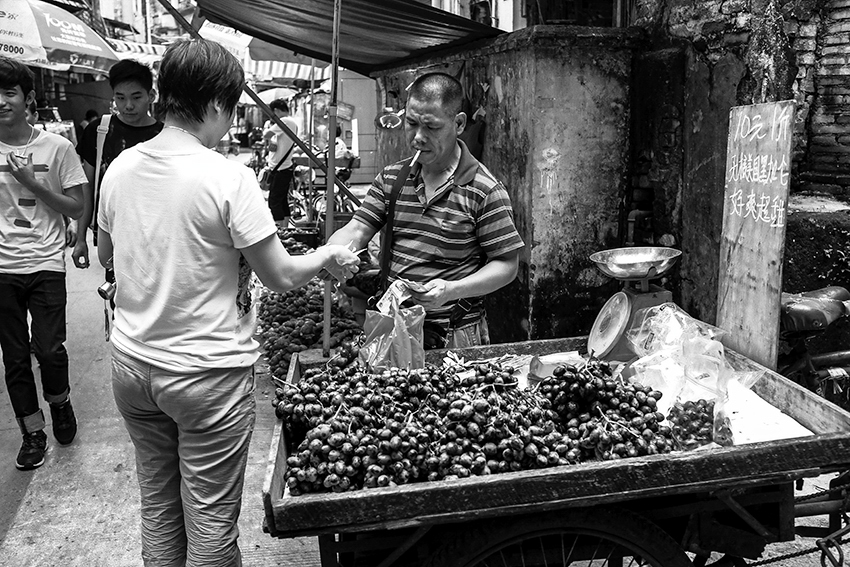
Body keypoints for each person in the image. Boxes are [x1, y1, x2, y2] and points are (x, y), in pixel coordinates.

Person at [95, 38, 358, 565]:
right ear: (215, 103)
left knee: (159, 504)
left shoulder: (121, 167)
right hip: (205, 375)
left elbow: (108, 253)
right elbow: (280, 275)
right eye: (230, 107)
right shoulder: (227, 177)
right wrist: (328, 252)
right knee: (211, 520)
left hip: (132, 364)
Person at [328, 72, 524, 349]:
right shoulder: (392, 178)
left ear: (458, 123)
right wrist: (332, 253)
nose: (418, 137)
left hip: (454, 334)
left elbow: (506, 265)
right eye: (411, 123)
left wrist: (453, 290)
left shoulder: (484, 190)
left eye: (431, 127)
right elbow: (358, 228)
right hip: (394, 324)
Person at [0, 57, 86, 470]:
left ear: (28, 98)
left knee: (49, 350)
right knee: (14, 357)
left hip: (45, 261)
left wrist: (30, 182)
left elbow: (76, 205)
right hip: (1, 270)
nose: (1, 101)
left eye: (9, 93)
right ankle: (32, 432)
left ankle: (61, 403)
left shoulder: (57, 147)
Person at [73, 60, 163, 270]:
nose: (128, 105)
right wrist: (80, 239)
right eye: (120, 98)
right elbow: (87, 185)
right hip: (111, 232)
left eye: (136, 97)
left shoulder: (163, 134)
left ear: (151, 96)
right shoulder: (98, 131)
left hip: (155, 234)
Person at [262, 98, 299, 227]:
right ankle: (285, 227)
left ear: (276, 110)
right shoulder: (291, 122)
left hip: (280, 169)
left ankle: (279, 229)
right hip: (284, 167)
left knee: (274, 201)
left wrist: (267, 130)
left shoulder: (285, 121)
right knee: (282, 200)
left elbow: (267, 134)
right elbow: (275, 139)